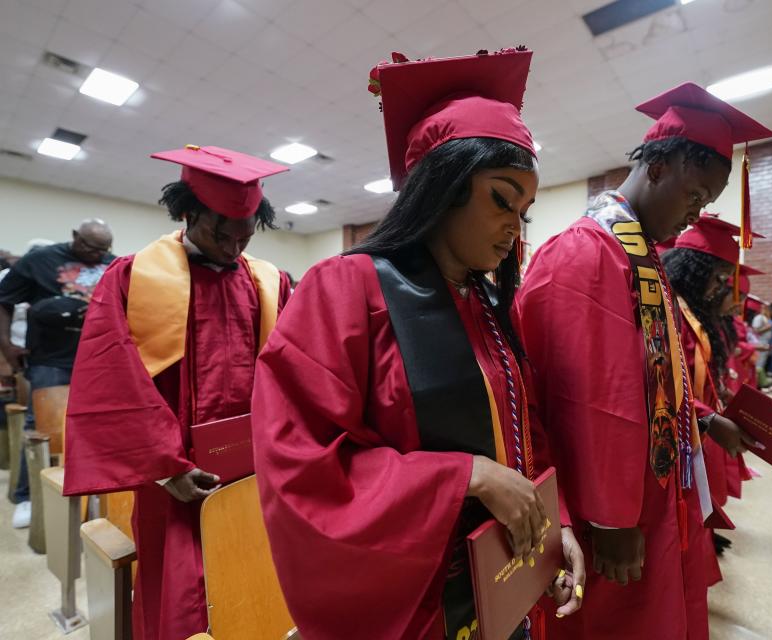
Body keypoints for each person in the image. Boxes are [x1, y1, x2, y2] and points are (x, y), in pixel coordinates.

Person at [252, 49, 584, 640]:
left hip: (503, 581)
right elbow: (300, 463)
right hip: (413, 603)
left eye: (525, 210)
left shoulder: (487, 306)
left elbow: (525, 431)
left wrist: (553, 523)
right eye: (501, 199)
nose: (516, 226)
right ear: (441, 187)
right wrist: (466, 476)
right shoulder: (347, 288)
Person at [517, 82, 772, 640]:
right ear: (663, 167)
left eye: (705, 204)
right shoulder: (587, 252)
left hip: (652, 491)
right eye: (695, 194)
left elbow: (660, 377)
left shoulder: (641, 257)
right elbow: (587, 399)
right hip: (605, 512)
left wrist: (703, 419)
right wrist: (611, 519)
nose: (694, 214)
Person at [62, 145, 291, 640]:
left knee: (254, 584)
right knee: (183, 599)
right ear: (188, 213)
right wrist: (168, 470)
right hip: (176, 478)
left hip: (255, 473)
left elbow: (292, 373)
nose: (234, 248)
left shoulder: (267, 282)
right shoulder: (132, 277)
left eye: (244, 237)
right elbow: (113, 381)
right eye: (221, 234)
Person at [661, 217, 763, 561]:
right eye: (721, 280)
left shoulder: (701, 317)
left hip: (697, 426)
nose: (725, 291)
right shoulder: (668, 311)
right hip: (674, 432)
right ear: (693, 270)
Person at [0, 222, 114, 528]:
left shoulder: (110, 263)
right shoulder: (40, 260)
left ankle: (89, 488)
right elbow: (4, 300)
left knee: (97, 425)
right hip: (51, 359)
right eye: (91, 247)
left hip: (97, 359)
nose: (97, 255)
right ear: (75, 237)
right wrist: (8, 345)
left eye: (103, 250)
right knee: (40, 427)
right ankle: (26, 496)